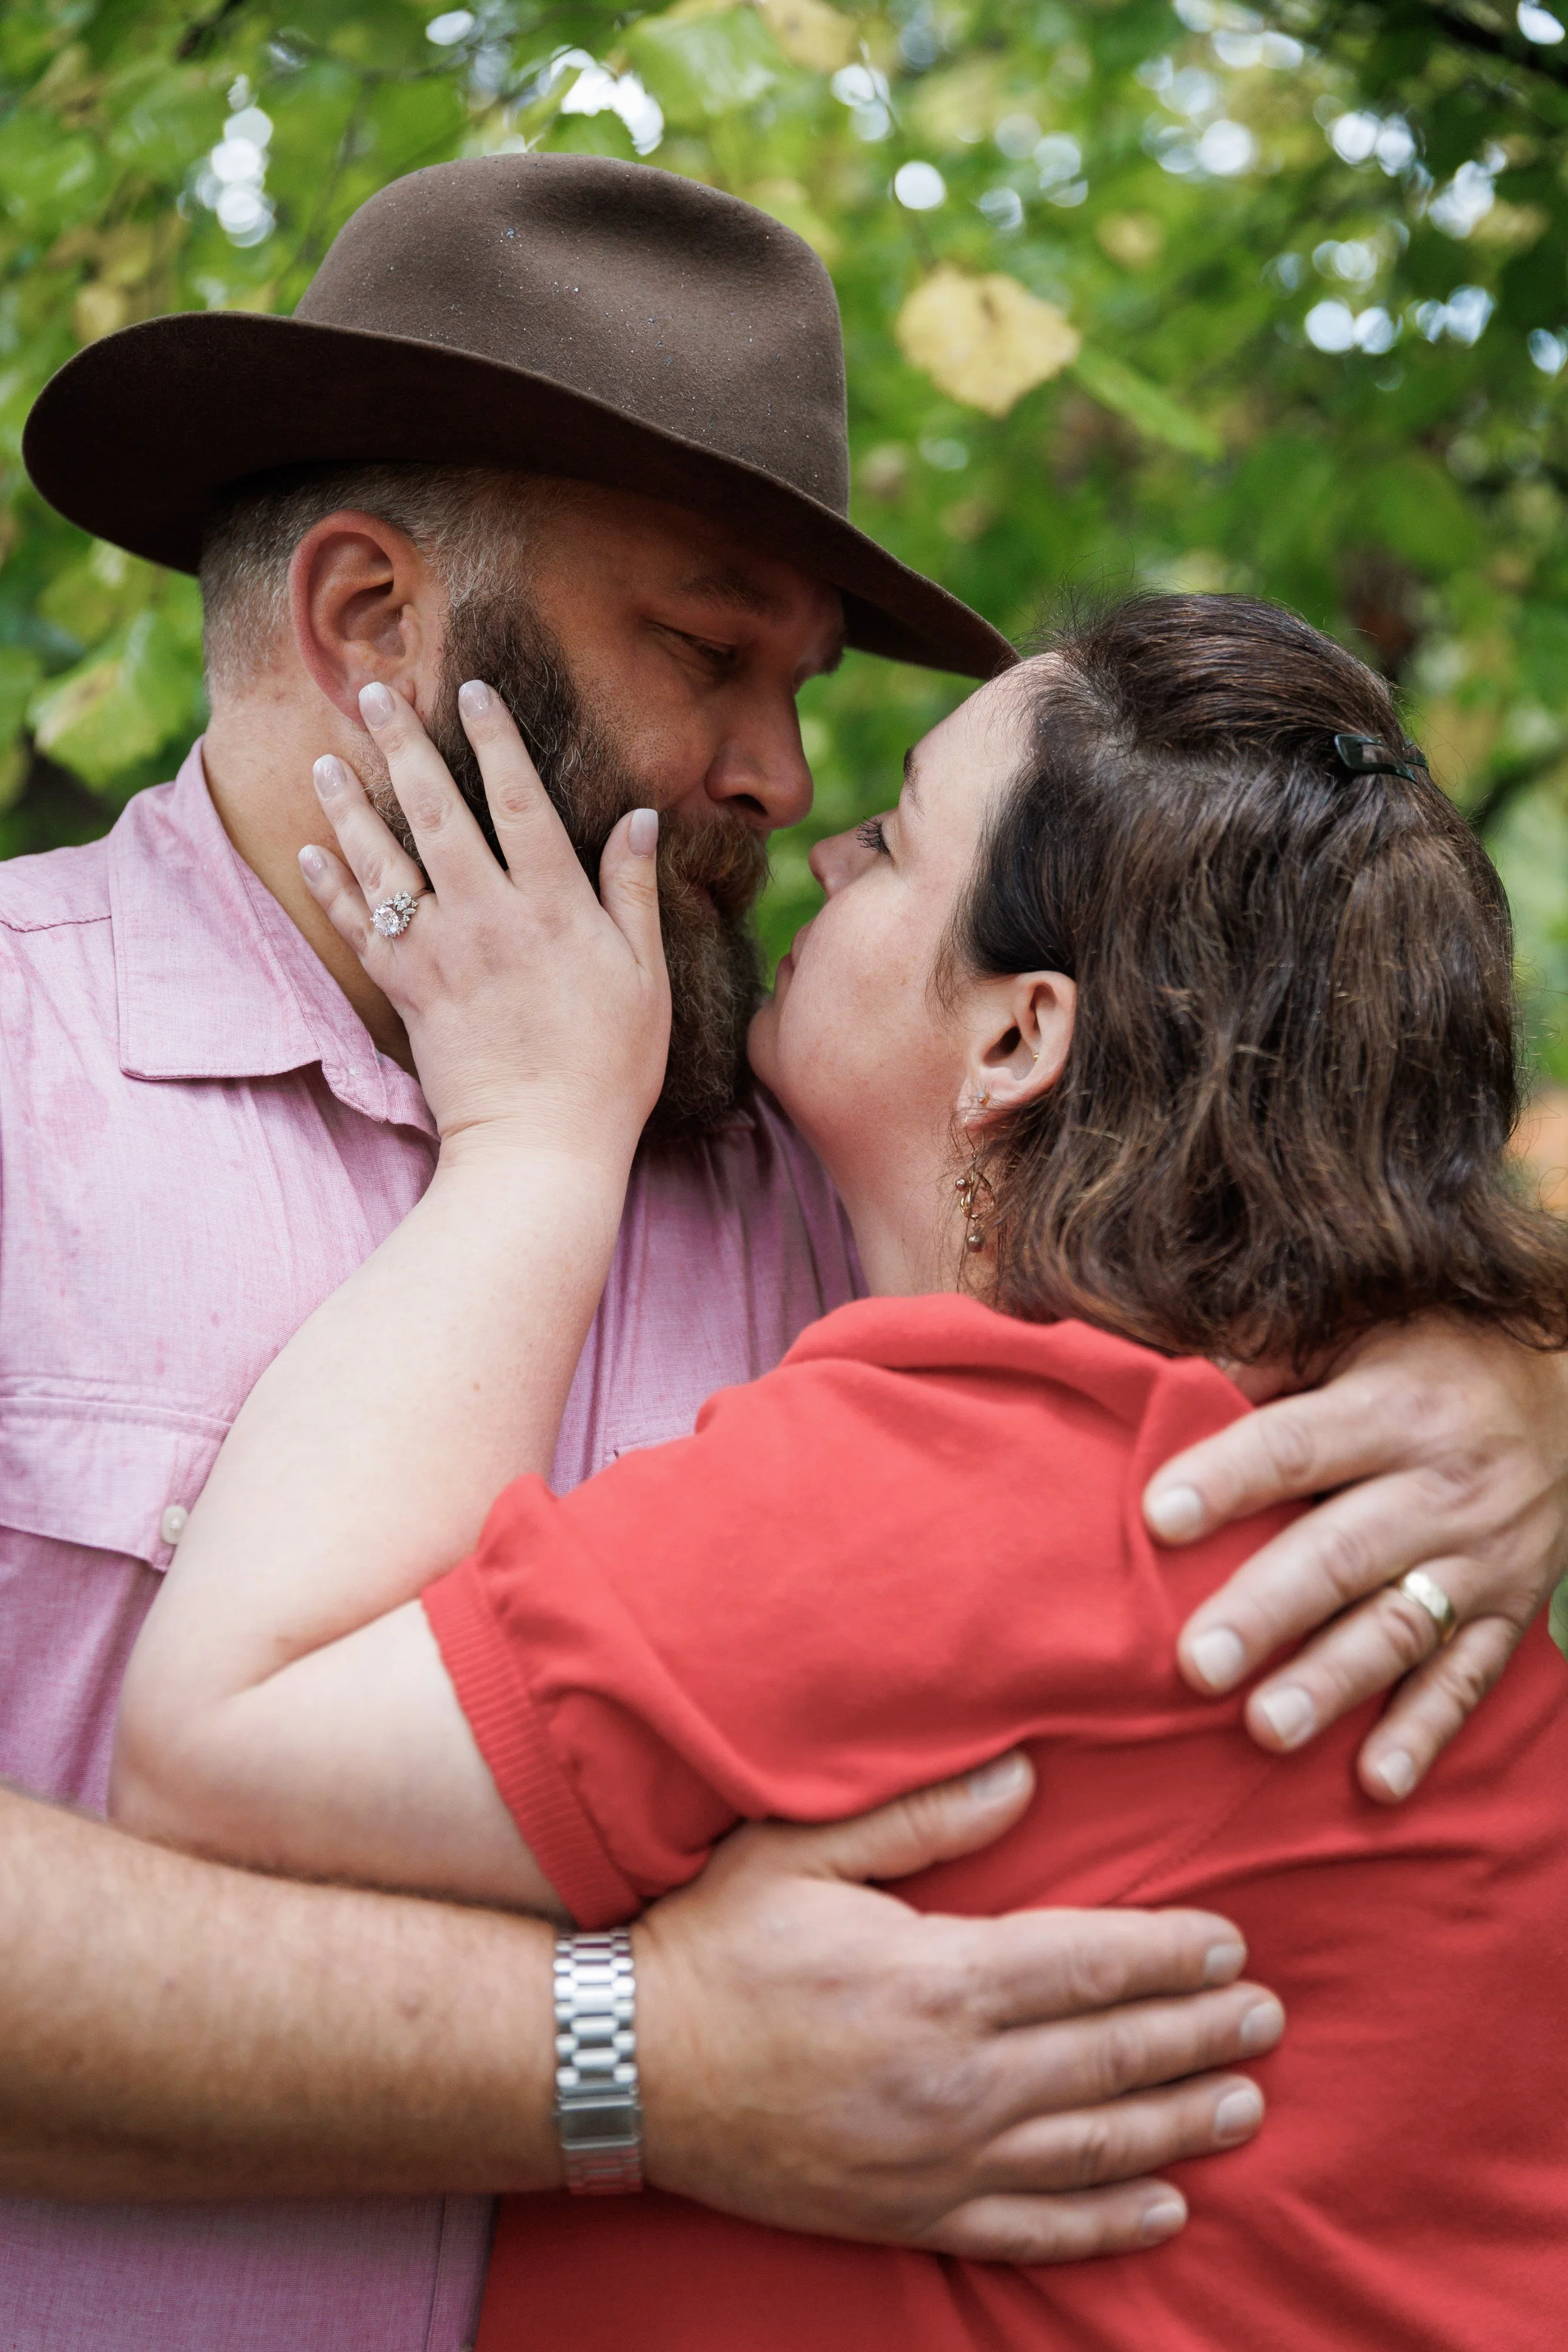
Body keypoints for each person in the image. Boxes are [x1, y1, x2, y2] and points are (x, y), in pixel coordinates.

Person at [4, 147, 1564, 2341]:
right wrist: (637, 2057)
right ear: (368, 619)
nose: (780, 774)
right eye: (710, 655)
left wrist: (1492, 1376)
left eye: (810, 686)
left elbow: (1192, 1231)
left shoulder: (810, 1157)